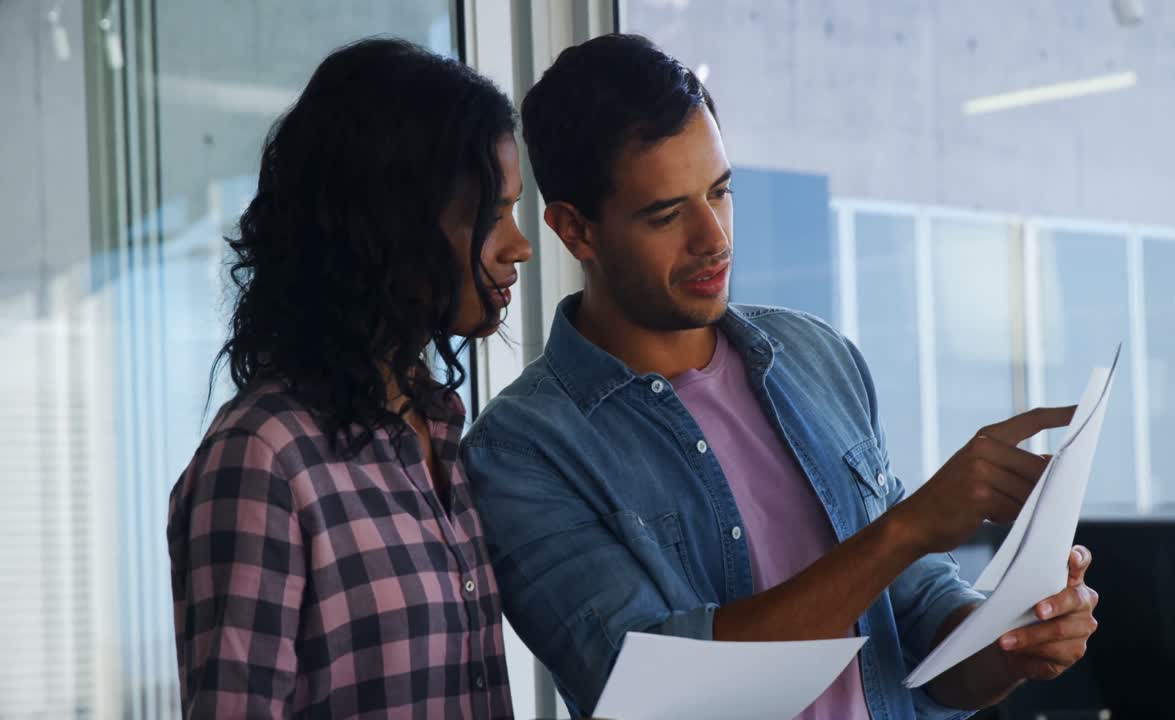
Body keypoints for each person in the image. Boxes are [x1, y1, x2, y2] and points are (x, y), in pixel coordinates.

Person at [461, 34, 1099, 719]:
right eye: (667, 214)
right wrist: (906, 530)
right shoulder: (521, 450)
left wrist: (1012, 643)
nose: (714, 239)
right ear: (575, 231)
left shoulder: (819, 358)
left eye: (720, 191)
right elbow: (656, 696)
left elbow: (915, 633)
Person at [166, 37, 531, 718]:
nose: (521, 245)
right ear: (394, 226)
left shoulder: (442, 428)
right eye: (492, 216)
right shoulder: (263, 458)